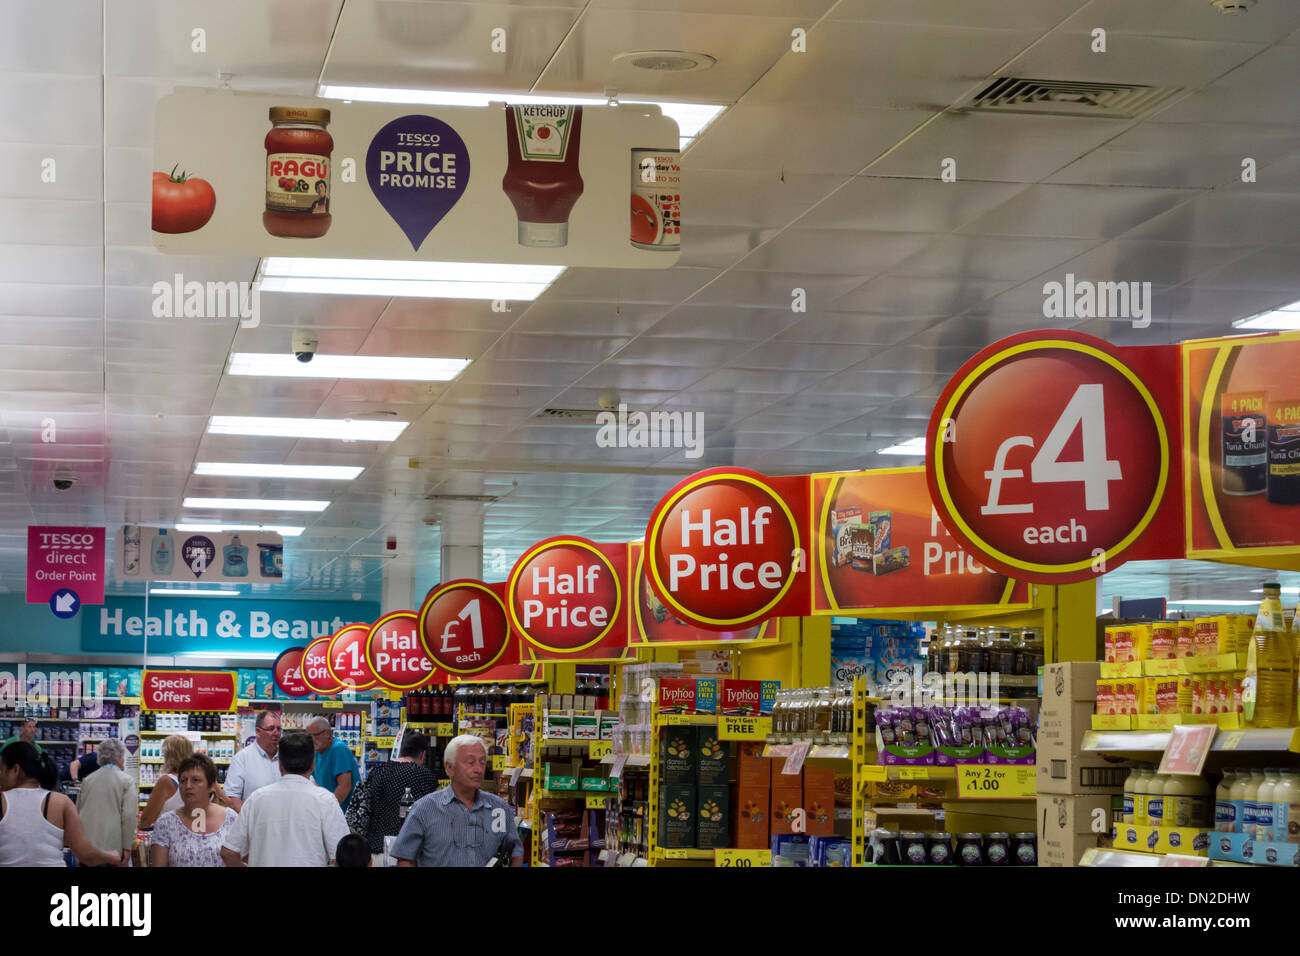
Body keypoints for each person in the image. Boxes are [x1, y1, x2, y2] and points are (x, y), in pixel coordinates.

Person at [220, 732, 349, 867]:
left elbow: (229, 853)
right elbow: (344, 857)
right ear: (313, 765)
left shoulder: (257, 799)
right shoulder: (325, 800)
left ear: (280, 765)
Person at [392, 734, 522, 867]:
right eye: (470, 762)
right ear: (449, 767)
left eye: (482, 762)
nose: (478, 769)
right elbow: (405, 858)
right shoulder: (424, 808)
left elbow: (516, 852)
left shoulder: (499, 808)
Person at [0, 741, 125, 867]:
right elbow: (86, 855)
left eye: (1, 770)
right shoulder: (61, 801)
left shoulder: (3, 801)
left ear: (15, 770)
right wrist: (111, 856)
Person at [349, 732, 438, 860]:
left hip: (373, 850)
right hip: (406, 852)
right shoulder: (424, 776)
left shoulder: (378, 770)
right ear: (422, 754)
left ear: (401, 750)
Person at [150, 754, 237, 868]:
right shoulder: (166, 823)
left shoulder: (231, 819)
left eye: (196, 780)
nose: (188, 786)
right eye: (183, 780)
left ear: (211, 786)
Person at [75, 738, 138, 862]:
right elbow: (129, 817)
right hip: (112, 850)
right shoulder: (126, 781)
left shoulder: (87, 780)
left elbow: (77, 813)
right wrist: (127, 847)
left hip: (87, 850)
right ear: (119, 757)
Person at [224, 710, 282, 811]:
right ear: (258, 731)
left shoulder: (287, 756)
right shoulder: (242, 758)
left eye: (279, 728)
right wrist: (249, 821)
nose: (276, 733)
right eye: (271, 728)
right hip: (254, 824)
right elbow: (232, 797)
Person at [138, 733, 191, 828]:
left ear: (169, 756)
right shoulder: (200, 780)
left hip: (170, 839)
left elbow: (145, 821)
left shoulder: (167, 781)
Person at [307, 716, 358, 812]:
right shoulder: (316, 751)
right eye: (309, 736)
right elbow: (315, 780)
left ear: (328, 734)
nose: (312, 740)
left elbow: (344, 787)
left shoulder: (338, 749)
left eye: (315, 735)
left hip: (344, 813)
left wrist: (327, 810)